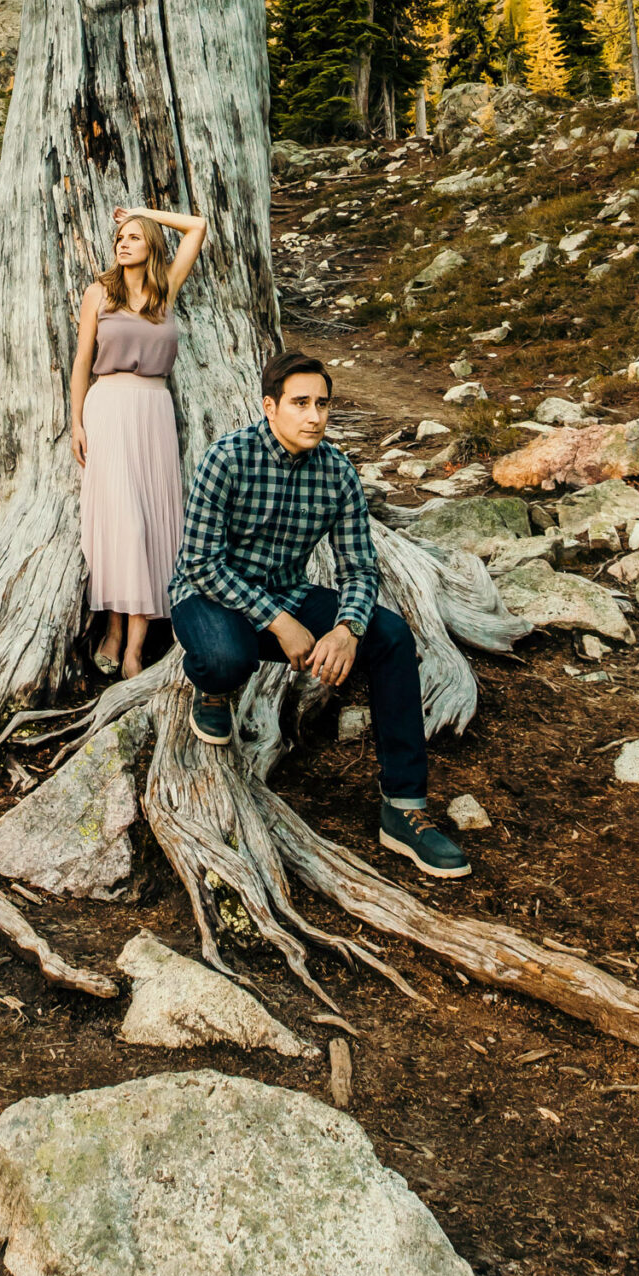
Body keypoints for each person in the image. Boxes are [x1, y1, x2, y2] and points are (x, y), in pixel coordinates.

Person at [168, 346, 471, 879]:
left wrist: (349, 629)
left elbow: (359, 567)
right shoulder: (227, 458)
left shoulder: (338, 472)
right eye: (300, 403)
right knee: (225, 656)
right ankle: (211, 688)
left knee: (392, 635)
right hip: (209, 597)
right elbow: (199, 563)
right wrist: (279, 623)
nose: (314, 416)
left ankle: (404, 809)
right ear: (270, 406)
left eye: (322, 404)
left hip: (289, 592)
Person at [70, 202, 209, 681]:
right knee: (122, 526)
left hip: (154, 411)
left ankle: (133, 646)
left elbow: (197, 226)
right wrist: (76, 423)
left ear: (151, 242)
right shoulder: (99, 294)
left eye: (133, 236)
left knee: (151, 528)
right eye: (119, 238)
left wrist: (141, 210)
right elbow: (82, 363)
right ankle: (111, 632)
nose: (122, 243)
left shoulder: (165, 290)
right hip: (108, 408)